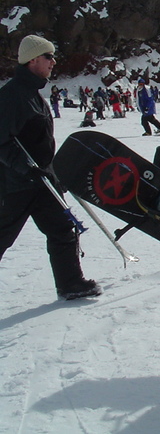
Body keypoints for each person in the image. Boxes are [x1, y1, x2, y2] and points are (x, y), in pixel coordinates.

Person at [0, 35, 101, 300]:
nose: (53, 62)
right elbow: (2, 142)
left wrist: (53, 173)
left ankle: (70, 283)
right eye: (48, 56)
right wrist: (26, 168)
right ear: (33, 59)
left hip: (42, 182)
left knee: (62, 230)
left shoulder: (34, 95)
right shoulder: (12, 96)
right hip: (17, 185)